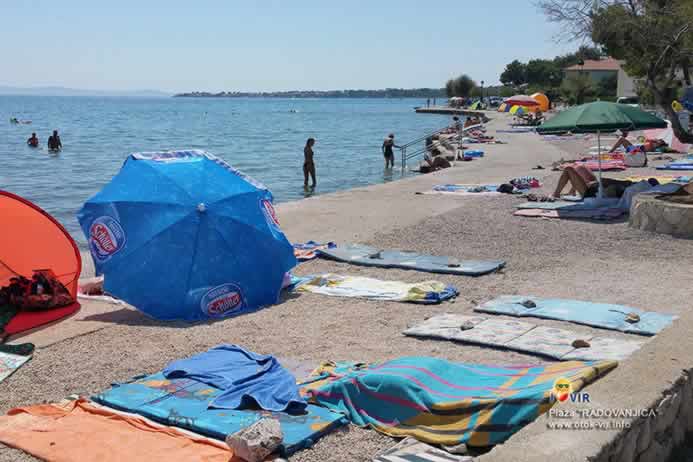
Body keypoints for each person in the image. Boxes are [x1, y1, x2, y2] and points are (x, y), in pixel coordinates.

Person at [552, 165, 633, 198]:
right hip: (595, 185)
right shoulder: (624, 186)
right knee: (581, 167)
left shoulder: (620, 189)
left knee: (568, 169)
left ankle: (556, 194)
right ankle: (572, 191)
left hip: (590, 192)